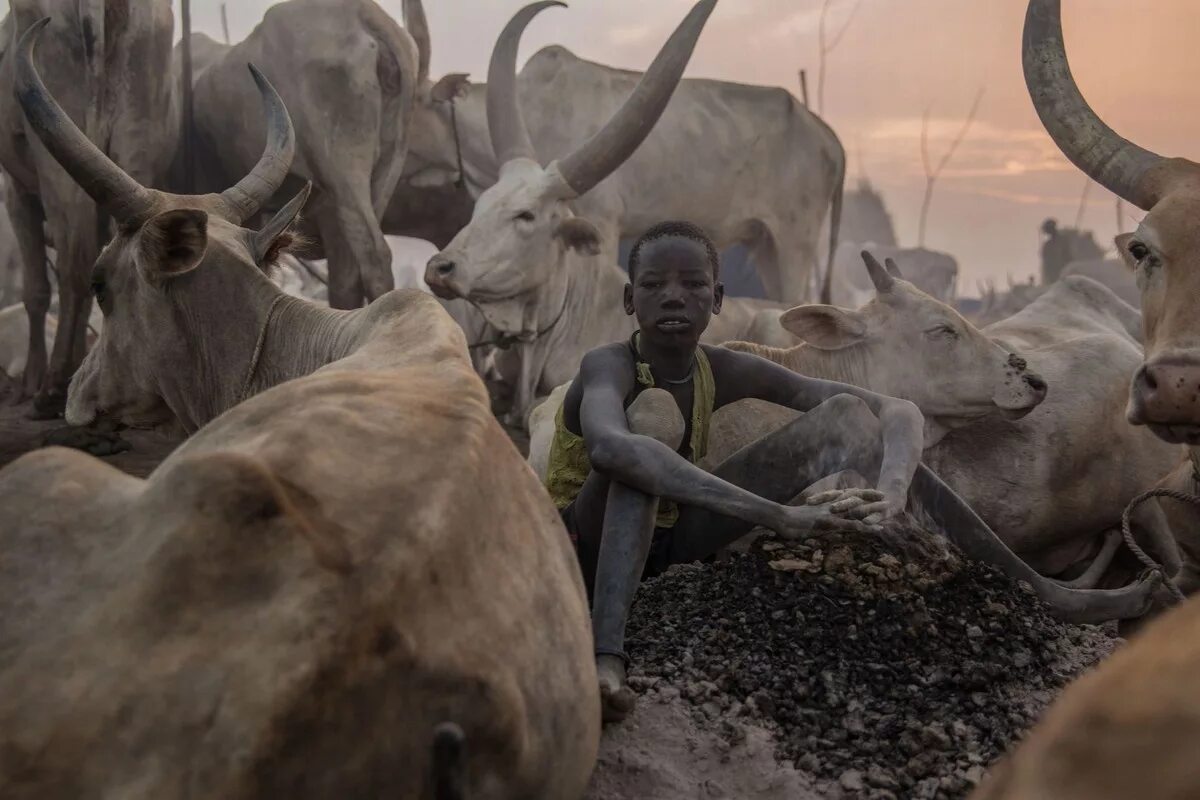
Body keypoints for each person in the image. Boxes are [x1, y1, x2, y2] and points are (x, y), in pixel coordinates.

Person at [544, 221, 926, 721]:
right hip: (579, 549)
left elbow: (897, 410)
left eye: (694, 284)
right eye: (654, 285)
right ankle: (605, 656)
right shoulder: (608, 365)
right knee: (650, 422)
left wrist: (893, 488)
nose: (674, 297)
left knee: (845, 419)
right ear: (629, 299)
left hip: (669, 546)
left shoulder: (721, 368)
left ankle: (1023, 577)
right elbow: (613, 452)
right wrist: (777, 517)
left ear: (718, 298)